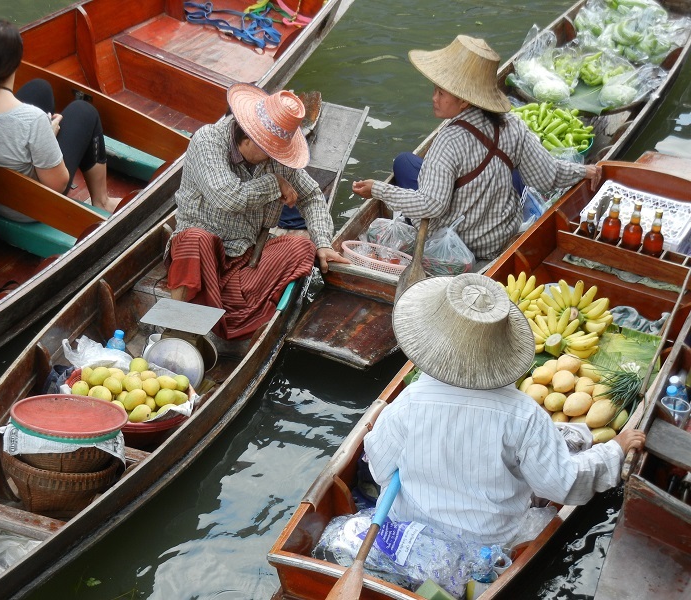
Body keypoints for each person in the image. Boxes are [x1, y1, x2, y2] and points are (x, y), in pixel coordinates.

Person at [364, 273, 645, 549]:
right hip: (489, 542)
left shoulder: (408, 401)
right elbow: (562, 484)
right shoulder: (524, 414)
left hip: (412, 531)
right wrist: (614, 451)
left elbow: (380, 469)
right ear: (502, 349)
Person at [351, 36, 603, 261]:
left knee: (404, 163)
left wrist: (379, 189)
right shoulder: (513, 125)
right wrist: (584, 171)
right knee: (512, 169)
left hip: (458, 243)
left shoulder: (449, 140)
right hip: (497, 239)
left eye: (441, 92)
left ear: (463, 101)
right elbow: (548, 176)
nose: (434, 98)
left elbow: (432, 205)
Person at [164, 83, 349, 341]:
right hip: (200, 252)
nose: (274, 157)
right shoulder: (208, 140)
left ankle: (214, 304)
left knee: (302, 248)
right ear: (248, 137)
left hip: (245, 257)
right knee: (196, 239)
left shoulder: (276, 160)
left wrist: (323, 242)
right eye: (268, 150)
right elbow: (226, 197)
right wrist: (274, 184)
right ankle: (180, 323)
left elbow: (312, 196)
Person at [0, 19, 118, 220]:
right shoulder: (33, 120)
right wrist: (48, 136)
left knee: (40, 88)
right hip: (22, 207)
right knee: (84, 111)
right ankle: (102, 201)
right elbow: (57, 185)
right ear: (17, 61)